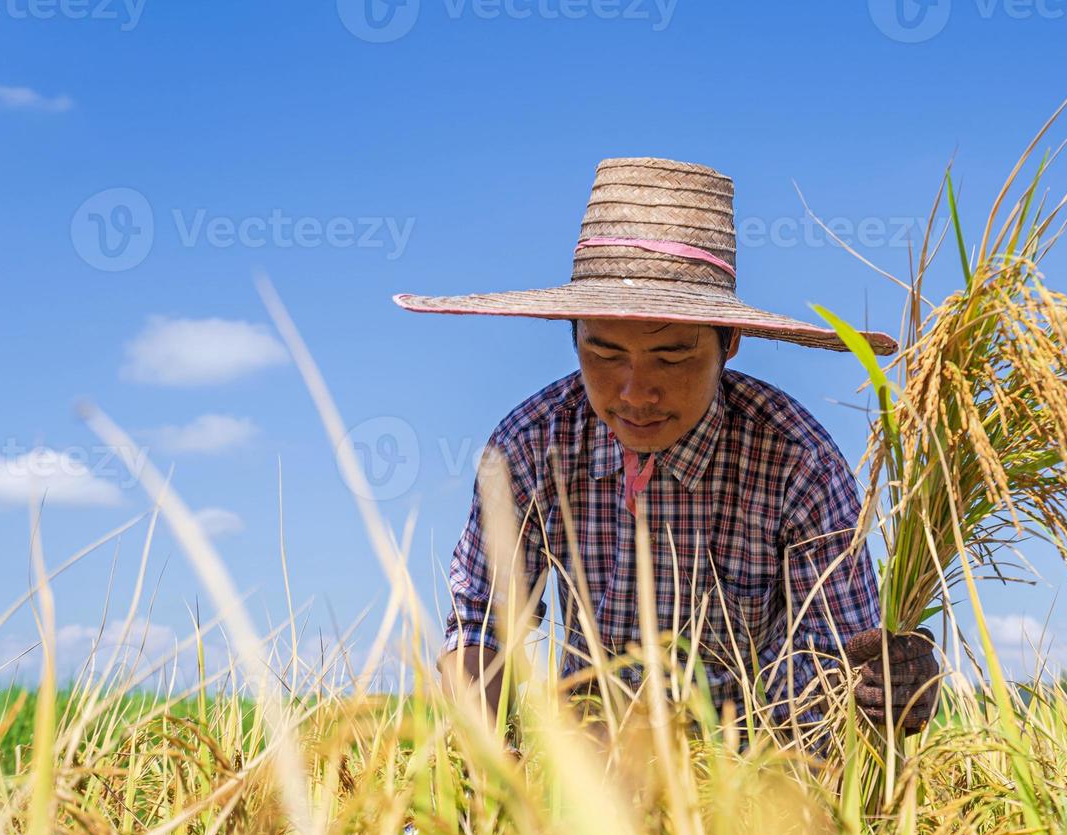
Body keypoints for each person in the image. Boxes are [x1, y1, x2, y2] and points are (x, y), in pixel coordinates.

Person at [395, 156, 940, 745]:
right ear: (573, 334)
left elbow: (828, 677)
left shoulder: (798, 464)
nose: (636, 393)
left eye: (673, 357)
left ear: (729, 342)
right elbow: (482, 627)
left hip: (757, 784)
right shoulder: (533, 445)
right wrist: (497, 777)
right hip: (591, 779)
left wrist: (881, 698)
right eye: (604, 355)